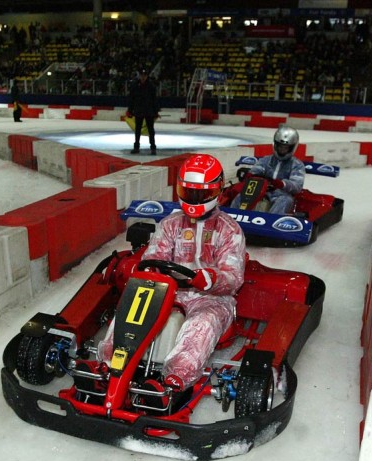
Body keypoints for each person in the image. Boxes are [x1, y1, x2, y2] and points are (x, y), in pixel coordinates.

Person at [98, 154, 246, 404]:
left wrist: (209, 278)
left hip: (211, 297)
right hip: (169, 289)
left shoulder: (229, 230)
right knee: (131, 307)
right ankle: (110, 365)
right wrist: (154, 272)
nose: (193, 200)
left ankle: (173, 380)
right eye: (188, 193)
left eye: (200, 195)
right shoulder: (170, 224)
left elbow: (233, 277)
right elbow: (154, 256)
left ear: (217, 192)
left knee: (202, 324)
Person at [231, 125, 305, 215]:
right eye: (280, 146)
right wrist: (251, 174)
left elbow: (297, 185)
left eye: (285, 148)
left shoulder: (297, 165)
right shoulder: (266, 160)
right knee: (240, 194)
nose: (282, 149)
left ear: (292, 148)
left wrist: (282, 183)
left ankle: (271, 223)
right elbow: (257, 168)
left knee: (285, 200)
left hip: (281, 194)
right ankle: (233, 216)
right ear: (275, 145)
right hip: (261, 190)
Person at [126, 67, 160, 155]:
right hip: (138, 110)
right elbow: (131, 99)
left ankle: (153, 148)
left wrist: (156, 112)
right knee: (137, 130)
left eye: (145, 75)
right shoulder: (135, 85)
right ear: (140, 75)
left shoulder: (151, 86)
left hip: (149, 111)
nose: (143, 77)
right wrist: (130, 110)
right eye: (142, 75)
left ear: (147, 76)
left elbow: (154, 99)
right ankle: (136, 147)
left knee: (150, 130)